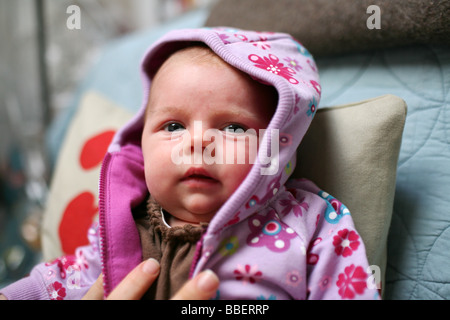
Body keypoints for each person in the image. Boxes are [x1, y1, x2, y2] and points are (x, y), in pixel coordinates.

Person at [0, 27, 380, 300]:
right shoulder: (123, 223)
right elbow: (66, 280)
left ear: (278, 145)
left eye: (233, 127)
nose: (197, 142)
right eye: (173, 125)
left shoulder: (309, 223)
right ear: (142, 143)